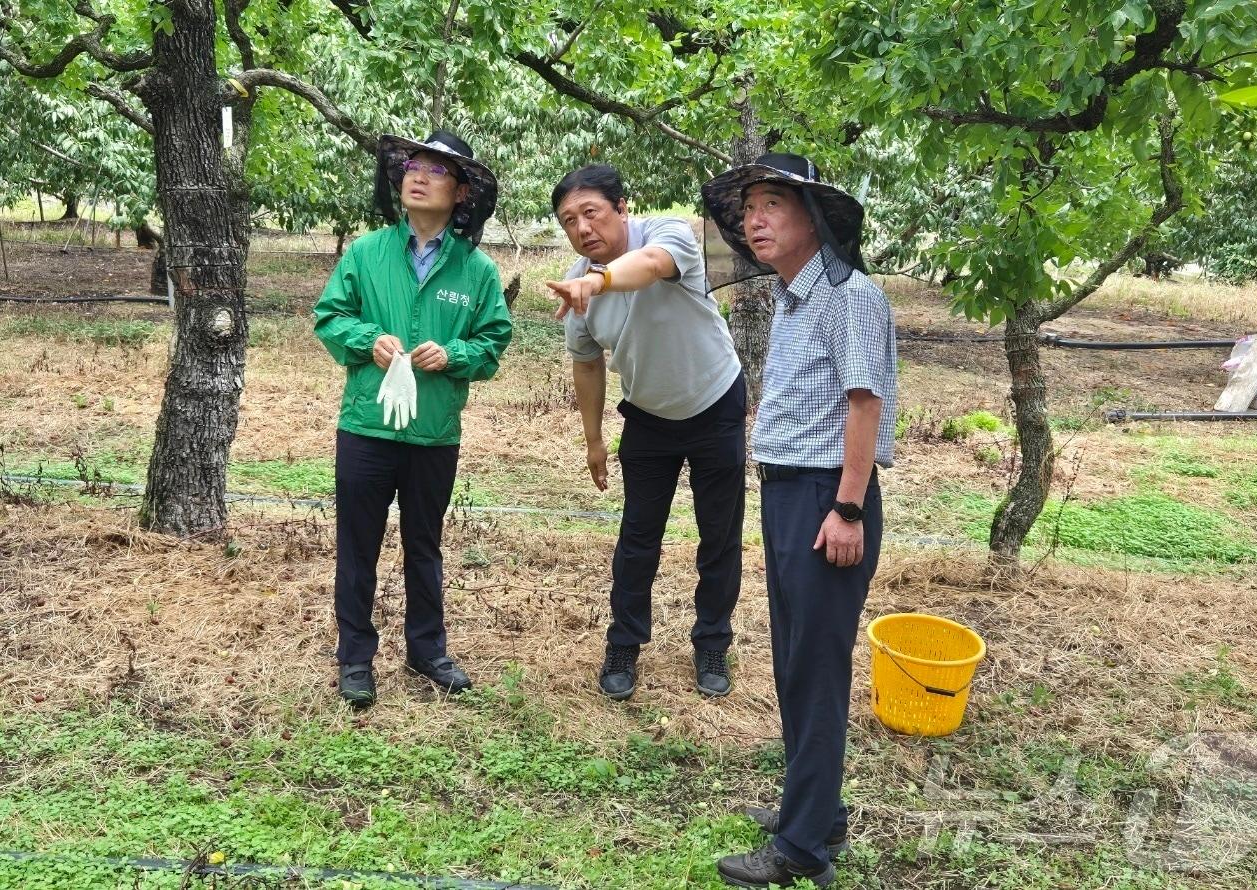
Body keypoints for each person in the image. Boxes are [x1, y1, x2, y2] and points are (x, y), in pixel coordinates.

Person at [702, 153, 897, 888]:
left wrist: (847, 508)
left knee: (814, 670)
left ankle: (801, 849)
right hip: (788, 492)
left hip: (825, 499)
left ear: (811, 217)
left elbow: (864, 403)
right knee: (794, 660)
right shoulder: (792, 297)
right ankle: (816, 812)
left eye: (771, 205)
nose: (754, 220)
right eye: (748, 207)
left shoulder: (848, 295)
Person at [313, 131, 512, 706]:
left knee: (424, 544)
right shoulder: (367, 253)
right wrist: (367, 340)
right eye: (413, 166)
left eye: (438, 170)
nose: (419, 176)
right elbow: (330, 317)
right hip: (366, 427)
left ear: (462, 193)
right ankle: (355, 658)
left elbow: (493, 342)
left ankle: (427, 651)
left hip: (434, 432)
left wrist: (454, 355)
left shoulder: (477, 271)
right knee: (358, 545)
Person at [546, 165, 746, 701]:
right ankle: (624, 645)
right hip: (648, 416)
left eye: (591, 212)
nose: (582, 228)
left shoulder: (666, 234)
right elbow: (586, 363)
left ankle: (712, 643)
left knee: (719, 535)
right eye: (569, 220)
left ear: (622, 207)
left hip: (714, 400)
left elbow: (653, 266)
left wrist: (598, 281)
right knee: (638, 538)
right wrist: (593, 440)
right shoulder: (576, 285)